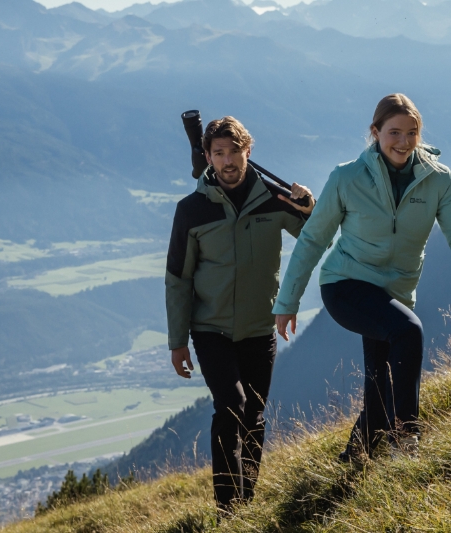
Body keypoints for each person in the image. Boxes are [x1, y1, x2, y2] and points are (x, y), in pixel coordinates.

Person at [273, 94, 451, 461]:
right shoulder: (347, 177)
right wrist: (288, 301)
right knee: (408, 332)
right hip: (345, 285)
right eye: (394, 132)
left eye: (412, 133)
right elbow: (313, 239)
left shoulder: (437, 179)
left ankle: (352, 463)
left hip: (395, 291)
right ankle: (406, 441)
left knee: (380, 387)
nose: (404, 142)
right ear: (375, 132)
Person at [165, 116, 315, 510]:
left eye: (235, 152)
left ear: (249, 151)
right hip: (210, 328)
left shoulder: (273, 198)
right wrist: (178, 342)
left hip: (258, 326)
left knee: (254, 414)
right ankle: (229, 510)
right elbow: (177, 279)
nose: (228, 161)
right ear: (208, 157)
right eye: (219, 153)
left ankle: (247, 500)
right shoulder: (192, 210)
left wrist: (309, 207)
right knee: (231, 406)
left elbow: (316, 236)